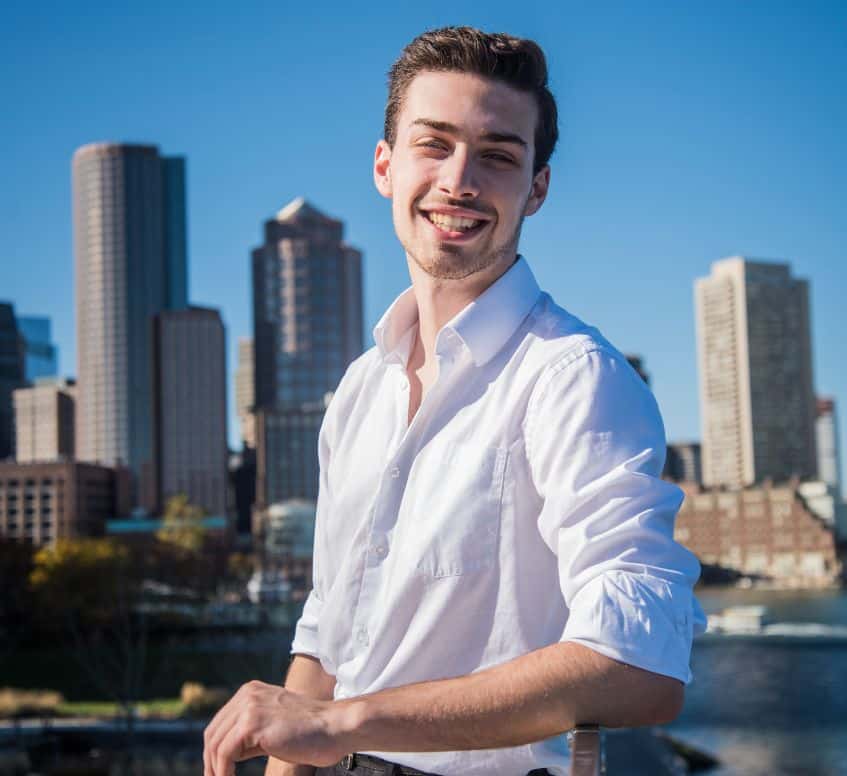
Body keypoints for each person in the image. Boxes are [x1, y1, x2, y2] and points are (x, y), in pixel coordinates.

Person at [203, 26, 707, 776]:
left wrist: (343, 724)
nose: (459, 180)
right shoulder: (358, 391)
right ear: (384, 165)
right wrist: (313, 739)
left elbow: (640, 665)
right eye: (432, 144)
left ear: (535, 188)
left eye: (498, 156)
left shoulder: (573, 377)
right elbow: (327, 639)